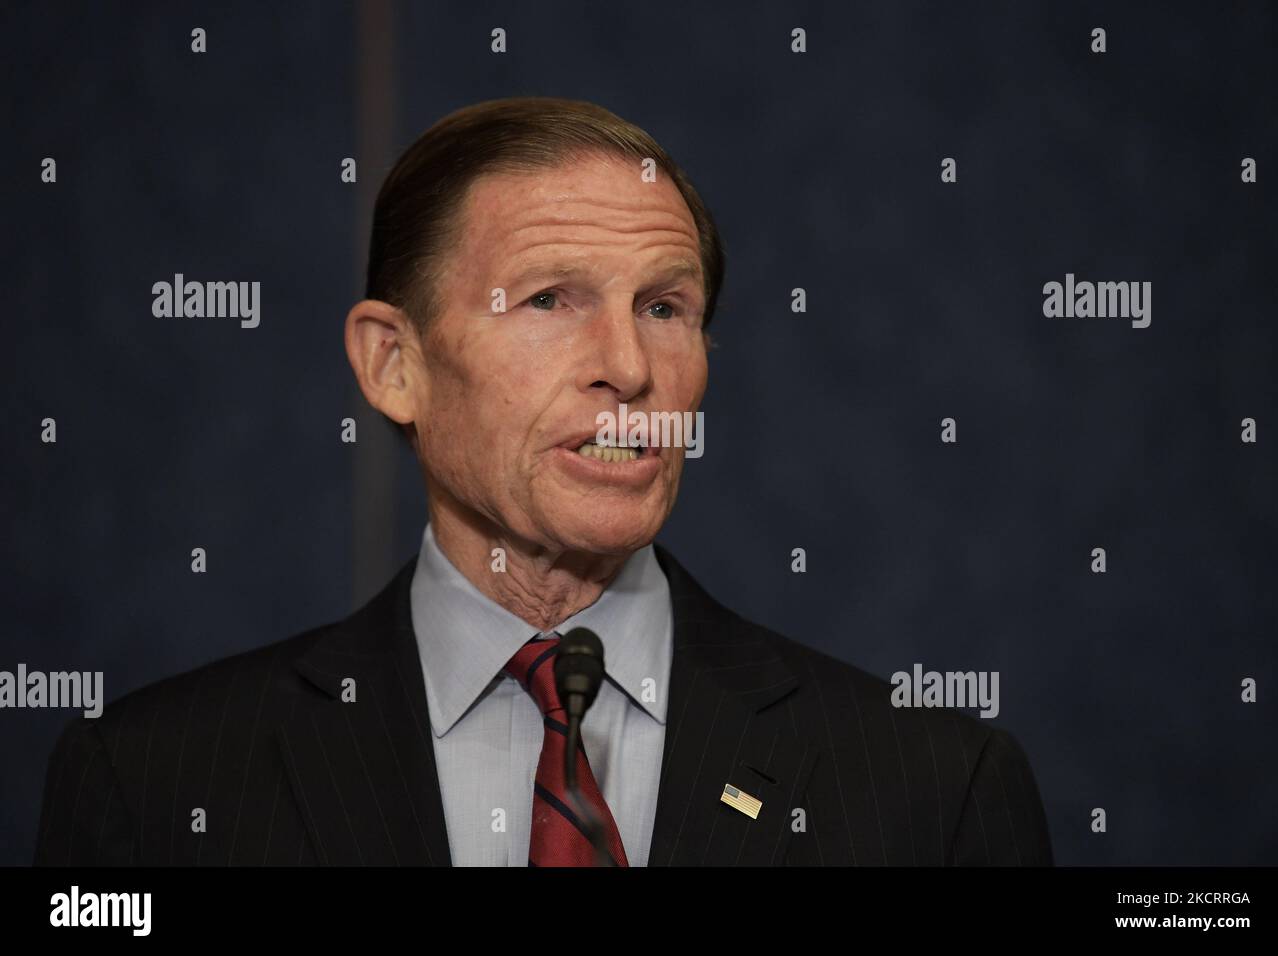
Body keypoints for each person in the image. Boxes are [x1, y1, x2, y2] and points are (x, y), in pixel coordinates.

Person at [34, 96, 1051, 866]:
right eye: (551, 298)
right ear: (396, 364)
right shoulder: (156, 788)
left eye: (664, 305)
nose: (629, 364)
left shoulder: (933, 792)